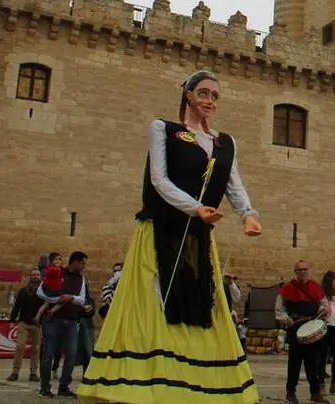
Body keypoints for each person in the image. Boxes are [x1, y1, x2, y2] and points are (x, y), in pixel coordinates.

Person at [77, 70, 263, 404]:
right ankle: (146, 383)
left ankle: (194, 385)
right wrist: (195, 208)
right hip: (159, 230)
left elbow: (234, 186)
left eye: (215, 96)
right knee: (154, 303)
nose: (209, 101)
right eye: (203, 93)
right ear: (189, 94)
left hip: (198, 238)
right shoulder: (164, 129)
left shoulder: (224, 143)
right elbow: (159, 180)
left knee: (200, 307)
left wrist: (248, 214)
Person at [276, 259, 330, 404]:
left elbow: (323, 304)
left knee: (313, 362)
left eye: (305, 269)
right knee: (294, 362)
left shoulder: (316, 287)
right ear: (295, 272)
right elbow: (279, 309)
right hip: (295, 329)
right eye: (300, 270)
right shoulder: (287, 288)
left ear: (309, 270)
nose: (303, 272)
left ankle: (315, 393)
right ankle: (290, 393)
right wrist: (286, 319)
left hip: (311, 328)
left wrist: (323, 310)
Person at [37, 251, 88, 398]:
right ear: (75, 262)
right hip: (54, 320)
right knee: (48, 354)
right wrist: (59, 299)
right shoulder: (56, 272)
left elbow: (82, 299)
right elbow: (41, 293)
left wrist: (70, 298)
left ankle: (64, 386)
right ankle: (44, 387)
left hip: (72, 320)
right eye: (82, 263)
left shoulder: (81, 279)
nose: (84, 266)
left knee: (71, 354)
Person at [7, 268, 44, 382]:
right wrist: (12, 320)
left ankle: (33, 373)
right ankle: (15, 372)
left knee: (36, 349)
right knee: (19, 346)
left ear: (40, 276)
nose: (35, 276)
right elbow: (17, 306)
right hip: (24, 322)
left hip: (37, 325)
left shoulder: (43, 292)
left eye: (37, 275)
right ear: (30, 276)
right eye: (33, 275)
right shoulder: (23, 291)